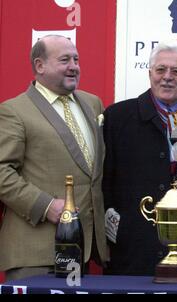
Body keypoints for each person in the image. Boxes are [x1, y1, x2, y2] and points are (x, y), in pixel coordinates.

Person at [0, 35, 108, 281]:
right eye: (64, 60)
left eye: (76, 59)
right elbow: (1, 172)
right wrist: (46, 205)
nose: (74, 66)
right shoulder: (13, 111)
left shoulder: (93, 104)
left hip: (85, 251)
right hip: (36, 254)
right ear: (40, 66)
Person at [102, 40, 177, 276]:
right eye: (160, 70)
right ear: (149, 73)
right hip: (131, 249)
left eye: (176, 71)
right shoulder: (117, 117)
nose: (167, 77)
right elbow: (103, 183)